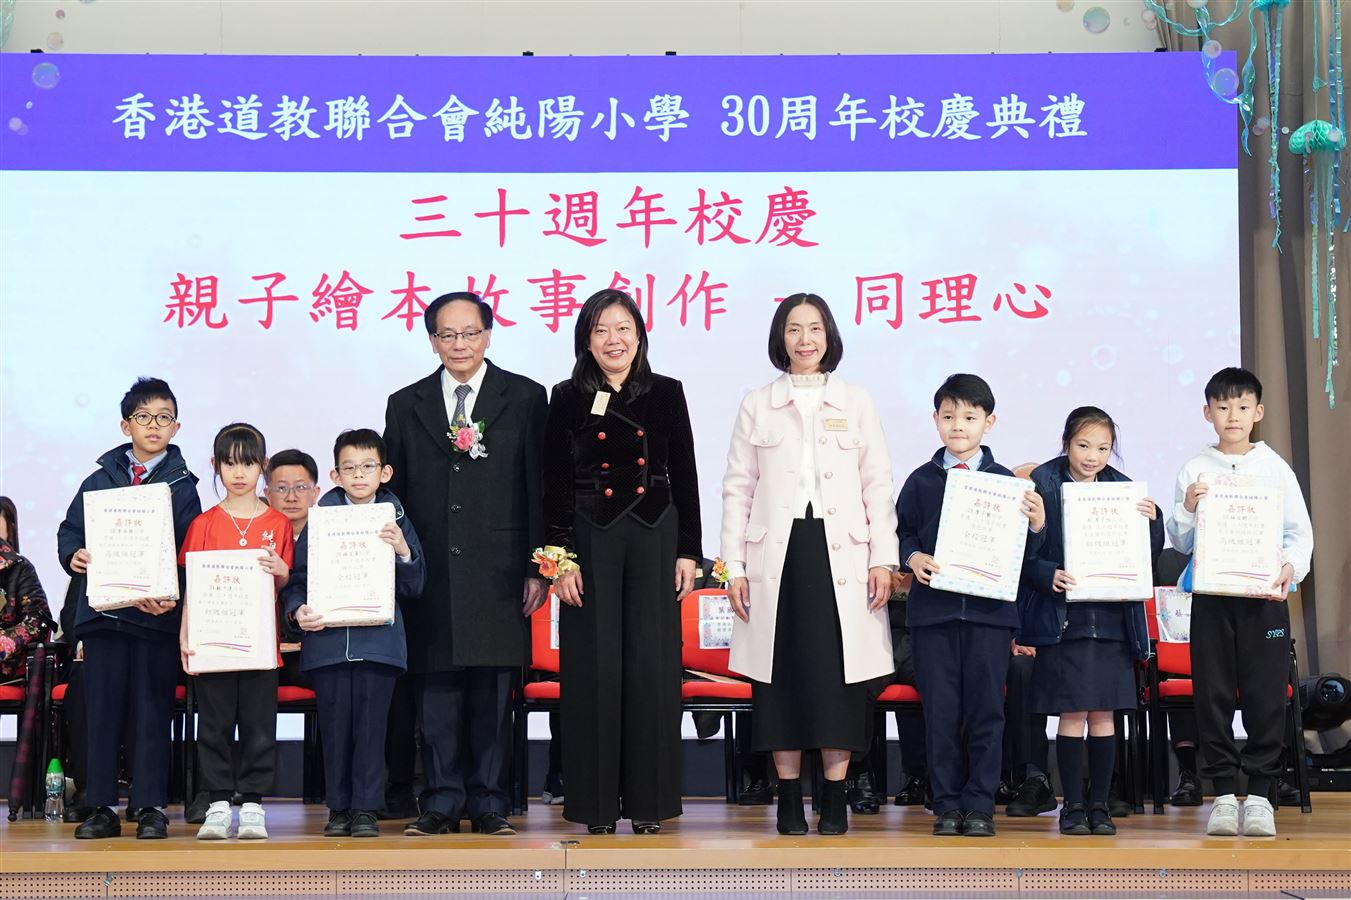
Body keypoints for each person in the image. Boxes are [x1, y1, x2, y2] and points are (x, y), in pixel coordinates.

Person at [722, 292, 897, 836]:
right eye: (794, 329)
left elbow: (877, 485)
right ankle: (788, 798)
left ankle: (837, 797)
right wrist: (734, 566)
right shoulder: (758, 403)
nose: (805, 339)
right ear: (781, 337)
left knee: (838, 681)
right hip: (776, 556)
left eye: (815, 328)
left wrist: (883, 558)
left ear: (829, 336)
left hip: (841, 554)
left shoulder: (856, 401)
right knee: (781, 680)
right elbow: (737, 488)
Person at [384, 291, 548, 837]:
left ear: (488, 335)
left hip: (499, 572)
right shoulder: (405, 403)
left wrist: (536, 567)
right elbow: (394, 495)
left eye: (470, 333)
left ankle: (490, 801)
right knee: (435, 695)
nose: (459, 344)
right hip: (431, 571)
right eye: (447, 335)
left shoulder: (525, 397)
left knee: (492, 694)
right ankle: (440, 801)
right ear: (432, 340)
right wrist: (402, 567)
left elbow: (537, 487)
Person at [545, 288, 702, 835]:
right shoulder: (566, 396)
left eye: (623, 329)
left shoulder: (666, 392)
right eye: (601, 330)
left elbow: (686, 473)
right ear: (586, 340)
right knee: (592, 668)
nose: (613, 340)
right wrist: (559, 559)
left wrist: (688, 550)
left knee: (652, 668)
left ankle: (648, 804)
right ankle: (595, 807)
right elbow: (554, 483)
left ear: (639, 336)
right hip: (590, 539)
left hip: (655, 534)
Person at [1166, 367, 1313, 837]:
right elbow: (1180, 540)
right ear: (1207, 412)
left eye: (1243, 406)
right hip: (1212, 598)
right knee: (1211, 694)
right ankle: (1225, 795)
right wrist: (1189, 507)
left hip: (1263, 599)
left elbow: (1298, 533)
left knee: (1265, 695)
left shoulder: (1275, 468)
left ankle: (1263, 795)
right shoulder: (1195, 467)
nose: (1233, 415)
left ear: (1258, 412)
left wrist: (1291, 567)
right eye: (1223, 407)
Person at [897, 373, 1046, 838]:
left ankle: (980, 803)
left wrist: (1037, 526)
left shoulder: (1006, 484)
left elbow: (1026, 557)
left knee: (986, 712)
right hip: (933, 616)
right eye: (948, 416)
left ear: (989, 422)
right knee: (941, 713)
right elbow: (902, 532)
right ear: (935, 420)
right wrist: (912, 556)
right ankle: (946, 804)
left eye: (969, 416)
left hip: (989, 618)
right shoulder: (920, 480)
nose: (958, 425)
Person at [58, 378, 202, 840]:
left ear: (176, 426)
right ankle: (101, 805)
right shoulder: (99, 480)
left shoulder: (184, 486)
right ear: (126, 426)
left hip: (154, 619)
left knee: (151, 712)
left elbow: (187, 551)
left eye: (163, 417)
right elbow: (70, 530)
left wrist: (170, 595)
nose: (153, 425)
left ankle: (150, 806)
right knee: (100, 713)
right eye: (143, 417)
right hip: (103, 617)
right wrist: (74, 554)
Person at [1019, 407, 1162, 836]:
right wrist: (1047, 573)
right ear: (1066, 443)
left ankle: (1100, 805)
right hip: (1065, 620)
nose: (1092, 456)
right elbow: (1020, 553)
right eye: (1083, 445)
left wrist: (1152, 525)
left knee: (1103, 716)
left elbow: (1145, 557)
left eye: (1102, 448)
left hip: (1112, 621)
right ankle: (1073, 806)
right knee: (1071, 715)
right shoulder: (1042, 482)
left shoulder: (1123, 490)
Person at [282, 429, 426, 838]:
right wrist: (298, 610)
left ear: (385, 472)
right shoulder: (321, 521)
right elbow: (298, 580)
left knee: (371, 729)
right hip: (328, 645)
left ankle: (365, 808)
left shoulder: (396, 520)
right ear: (335, 475)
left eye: (367, 466)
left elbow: (416, 586)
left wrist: (403, 551)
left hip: (379, 644)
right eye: (349, 468)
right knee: (335, 729)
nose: (359, 475)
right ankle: (338, 808)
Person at [178, 423, 293, 841]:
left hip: (260, 644)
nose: (239, 473)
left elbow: (283, 582)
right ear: (215, 465)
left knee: (259, 725)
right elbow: (193, 587)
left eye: (247, 463)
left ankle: (255, 805)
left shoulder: (278, 523)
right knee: (214, 725)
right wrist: (186, 636)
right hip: (214, 643)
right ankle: (217, 804)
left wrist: (282, 571)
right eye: (229, 463)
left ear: (263, 466)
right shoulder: (203, 524)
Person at [0, 497, 52, 680]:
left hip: (7, 666)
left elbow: (37, 621)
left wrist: (4, 643)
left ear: (10, 527)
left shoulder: (21, 568)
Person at [264, 450, 320, 537]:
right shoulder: (254, 536)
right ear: (268, 495)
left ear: (315, 494)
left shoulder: (331, 536)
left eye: (300, 487)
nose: (291, 498)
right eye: (281, 488)